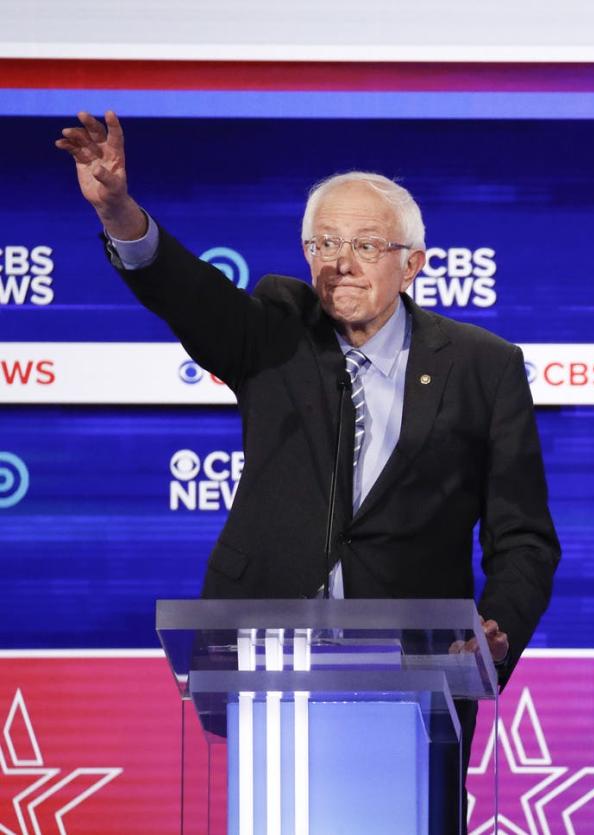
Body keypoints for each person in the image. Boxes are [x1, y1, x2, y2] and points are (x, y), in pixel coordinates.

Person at [57, 111, 560, 832]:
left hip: (420, 672)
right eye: (323, 243)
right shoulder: (276, 328)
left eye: (362, 245)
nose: (339, 261)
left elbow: (524, 538)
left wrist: (498, 624)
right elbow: (189, 294)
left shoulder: (483, 366)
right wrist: (118, 212)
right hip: (269, 656)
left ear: (412, 261)